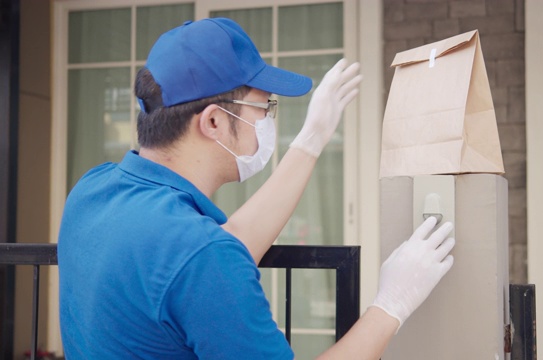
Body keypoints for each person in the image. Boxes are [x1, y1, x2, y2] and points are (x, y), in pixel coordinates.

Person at [57, 18, 455, 359]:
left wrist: (310, 141)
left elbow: (208, 255)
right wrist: (390, 306)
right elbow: (204, 260)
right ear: (213, 122)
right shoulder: (200, 255)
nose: (268, 122)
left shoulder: (91, 193)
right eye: (264, 108)